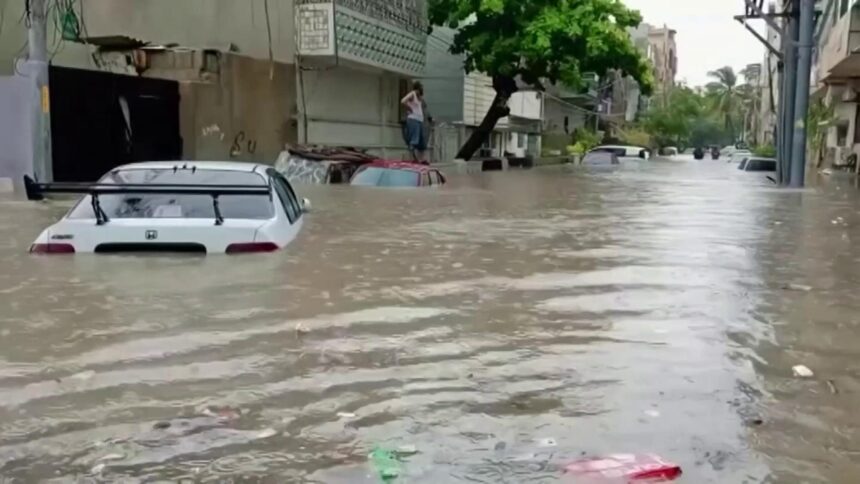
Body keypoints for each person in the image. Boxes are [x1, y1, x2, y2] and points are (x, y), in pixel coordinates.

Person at [401, 82, 427, 163]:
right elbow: (403, 101)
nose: (420, 91)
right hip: (413, 119)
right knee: (414, 140)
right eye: (420, 89)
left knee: (421, 142)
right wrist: (409, 108)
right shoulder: (412, 94)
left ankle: (421, 159)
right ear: (417, 89)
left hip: (419, 120)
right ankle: (412, 159)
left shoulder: (420, 97)